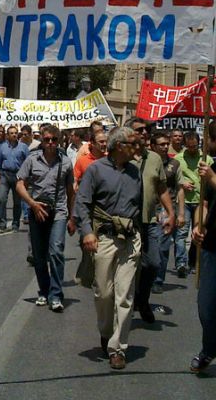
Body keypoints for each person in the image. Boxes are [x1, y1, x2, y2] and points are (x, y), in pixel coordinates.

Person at [74, 126, 142, 370]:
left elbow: (140, 205)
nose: (137, 148)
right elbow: (82, 203)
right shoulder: (95, 170)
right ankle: (106, 332)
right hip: (104, 238)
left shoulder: (135, 172)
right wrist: (87, 232)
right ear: (119, 146)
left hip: (130, 239)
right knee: (104, 293)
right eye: (133, 144)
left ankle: (118, 348)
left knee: (125, 295)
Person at [16, 124, 75, 312]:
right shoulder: (32, 159)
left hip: (58, 211)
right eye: (47, 139)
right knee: (39, 256)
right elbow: (20, 185)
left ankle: (56, 294)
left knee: (56, 251)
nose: (50, 143)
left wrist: (72, 217)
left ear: (59, 141)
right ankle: (44, 290)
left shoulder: (66, 162)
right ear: (42, 140)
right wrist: (32, 204)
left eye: (54, 140)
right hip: (37, 211)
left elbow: (70, 192)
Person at [126, 117, 174, 324]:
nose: (144, 133)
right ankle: (125, 307)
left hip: (149, 221)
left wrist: (171, 213)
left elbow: (161, 188)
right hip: (126, 222)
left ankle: (142, 299)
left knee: (153, 263)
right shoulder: (122, 156)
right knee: (128, 267)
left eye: (146, 129)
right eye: (139, 130)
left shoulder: (154, 158)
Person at [192, 122, 216, 373]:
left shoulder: (212, 173)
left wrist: (212, 178)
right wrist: (199, 223)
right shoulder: (213, 168)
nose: (205, 143)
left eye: (208, 138)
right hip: (211, 246)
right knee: (206, 307)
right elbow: (204, 203)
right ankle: (210, 347)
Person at [150, 131, 186, 294]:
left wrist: (181, 213)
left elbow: (180, 189)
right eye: (161, 144)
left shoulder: (174, 164)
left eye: (166, 144)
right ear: (153, 146)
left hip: (166, 211)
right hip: (149, 209)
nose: (165, 147)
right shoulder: (146, 162)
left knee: (163, 247)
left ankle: (158, 280)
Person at [176, 131, 213, 275]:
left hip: (200, 201)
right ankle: (181, 263)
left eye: (194, 146)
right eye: (189, 147)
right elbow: (172, 180)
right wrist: (183, 183)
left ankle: (193, 262)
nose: (192, 149)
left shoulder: (206, 159)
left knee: (197, 233)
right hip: (184, 201)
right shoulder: (178, 159)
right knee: (181, 233)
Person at [0, 125, 29, 233]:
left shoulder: (23, 147)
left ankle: (15, 224)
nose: (14, 135)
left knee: (17, 202)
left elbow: (28, 163)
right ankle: (2, 224)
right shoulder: (3, 147)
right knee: (1, 199)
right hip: (5, 175)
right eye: (11, 133)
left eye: (15, 133)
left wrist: (26, 179)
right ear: (7, 135)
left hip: (18, 176)